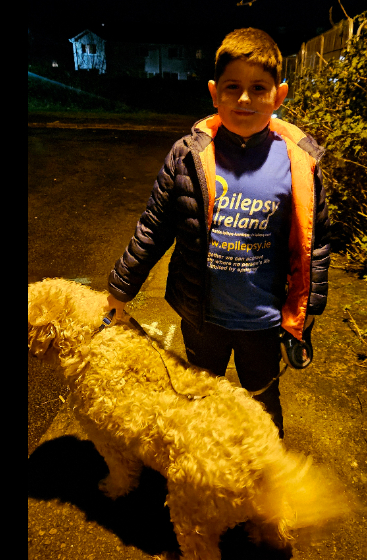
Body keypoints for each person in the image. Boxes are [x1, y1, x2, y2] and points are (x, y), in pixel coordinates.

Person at [107, 28, 331, 439]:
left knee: (262, 403)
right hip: (201, 318)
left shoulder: (299, 163)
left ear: (279, 96)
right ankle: (201, 464)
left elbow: (314, 243)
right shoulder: (188, 156)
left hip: (263, 322)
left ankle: (264, 468)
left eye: (258, 88)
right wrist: (120, 289)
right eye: (232, 87)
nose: (244, 98)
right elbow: (153, 226)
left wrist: (310, 308)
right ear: (214, 92)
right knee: (200, 399)